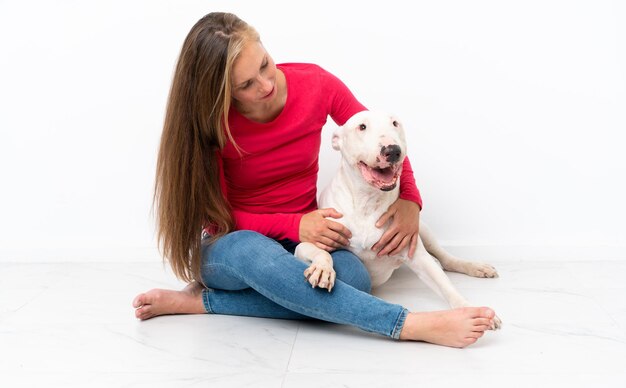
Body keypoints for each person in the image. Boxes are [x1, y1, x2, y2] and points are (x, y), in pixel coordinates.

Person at [132, 12, 496, 348]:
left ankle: (201, 303)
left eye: (264, 64)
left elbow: (376, 136)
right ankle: (408, 325)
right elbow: (218, 219)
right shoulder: (212, 126)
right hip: (234, 246)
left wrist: (410, 200)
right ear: (221, 93)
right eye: (246, 84)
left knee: (353, 279)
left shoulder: (316, 84)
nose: (266, 83)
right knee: (251, 250)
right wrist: (295, 223)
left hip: (309, 240)